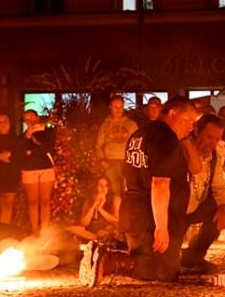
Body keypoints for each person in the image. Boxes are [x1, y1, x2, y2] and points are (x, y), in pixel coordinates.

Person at [80, 96, 198, 286]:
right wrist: (161, 227)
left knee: (152, 263)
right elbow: (159, 184)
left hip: (134, 213)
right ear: (173, 114)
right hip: (150, 217)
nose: (191, 127)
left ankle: (109, 260)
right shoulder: (165, 138)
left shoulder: (138, 135)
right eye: (188, 120)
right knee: (166, 271)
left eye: (193, 122)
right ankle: (110, 260)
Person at [181, 114, 225, 273]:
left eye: (217, 139)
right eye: (210, 137)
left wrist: (224, 207)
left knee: (220, 211)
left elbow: (218, 185)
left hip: (196, 205)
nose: (213, 143)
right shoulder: (181, 150)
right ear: (196, 131)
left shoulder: (214, 156)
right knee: (166, 268)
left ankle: (193, 256)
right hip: (175, 209)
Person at [21, 109, 56, 232]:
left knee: (45, 200)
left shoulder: (48, 131)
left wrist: (31, 152)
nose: (30, 121)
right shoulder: (24, 135)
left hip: (45, 167)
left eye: (32, 118)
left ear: (37, 118)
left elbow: (48, 146)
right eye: (27, 119)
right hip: (29, 169)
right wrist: (28, 135)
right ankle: (34, 230)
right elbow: (21, 150)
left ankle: (45, 230)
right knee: (32, 201)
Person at [96, 95, 138, 196]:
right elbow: (98, 145)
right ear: (110, 107)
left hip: (127, 165)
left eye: (121, 107)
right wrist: (101, 161)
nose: (119, 110)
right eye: (116, 107)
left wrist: (134, 164)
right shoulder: (104, 126)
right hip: (110, 165)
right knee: (114, 195)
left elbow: (138, 144)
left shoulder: (132, 125)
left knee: (128, 195)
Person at [66, 176, 121, 242]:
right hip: (92, 229)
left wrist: (100, 209)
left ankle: (97, 238)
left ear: (109, 187)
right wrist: (93, 206)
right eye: (100, 185)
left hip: (107, 228)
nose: (103, 188)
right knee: (71, 228)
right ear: (96, 187)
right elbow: (84, 223)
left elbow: (116, 220)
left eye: (106, 185)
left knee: (105, 233)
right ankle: (96, 238)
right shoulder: (90, 200)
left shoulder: (115, 198)